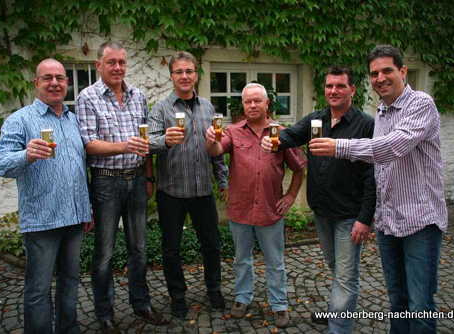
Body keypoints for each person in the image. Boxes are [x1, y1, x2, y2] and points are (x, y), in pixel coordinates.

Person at [309, 45, 447, 334]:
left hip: (420, 221)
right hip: (388, 222)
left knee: (419, 305)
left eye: (387, 70)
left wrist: (339, 147)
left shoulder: (421, 104)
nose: (380, 78)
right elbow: (378, 169)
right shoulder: (382, 111)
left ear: (403, 71)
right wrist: (371, 215)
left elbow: (391, 147)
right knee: (397, 301)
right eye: (375, 73)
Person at [261, 67, 376, 333]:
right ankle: (338, 312)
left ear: (352, 90)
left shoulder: (366, 124)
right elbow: (292, 135)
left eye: (340, 86)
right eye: (329, 86)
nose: (333, 91)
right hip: (322, 211)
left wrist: (365, 218)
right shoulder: (317, 119)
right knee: (337, 268)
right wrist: (274, 141)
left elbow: (373, 175)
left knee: (346, 276)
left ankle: (338, 327)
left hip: (350, 214)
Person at [0, 59, 92, 334]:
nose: (55, 83)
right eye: (47, 78)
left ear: (67, 83)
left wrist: (86, 210)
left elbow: (78, 169)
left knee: (70, 282)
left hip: (73, 219)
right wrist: (26, 154)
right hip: (41, 221)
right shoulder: (20, 120)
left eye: (60, 78)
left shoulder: (73, 120)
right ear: (36, 83)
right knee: (38, 289)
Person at [76, 41, 166, 332]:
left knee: (139, 248)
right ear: (98, 65)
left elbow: (145, 142)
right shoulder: (87, 97)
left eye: (122, 63)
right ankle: (105, 313)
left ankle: (141, 304)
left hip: (137, 178)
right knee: (104, 253)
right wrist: (123, 146)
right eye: (111, 62)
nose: (117, 67)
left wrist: (149, 175)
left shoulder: (138, 95)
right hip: (106, 181)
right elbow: (88, 144)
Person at [206, 83, 305, 328]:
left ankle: (279, 304)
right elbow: (217, 150)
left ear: (266, 103)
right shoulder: (233, 131)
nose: (252, 105)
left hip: (270, 210)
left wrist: (291, 196)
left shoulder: (281, 133)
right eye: (248, 101)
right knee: (242, 259)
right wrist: (210, 141)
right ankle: (242, 298)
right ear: (243, 104)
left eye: (257, 101)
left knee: (275, 262)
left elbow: (300, 168)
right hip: (240, 209)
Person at [148, 51, 229, 319]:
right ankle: (178, 296)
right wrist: (165, 141)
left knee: (212, 244)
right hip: (171, 191)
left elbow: (216, 147)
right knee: (171, 248)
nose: (184, 76)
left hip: (202, 190)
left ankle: (214, 289)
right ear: (171, 76)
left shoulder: (207, 108)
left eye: (189, 71)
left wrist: (223, 180)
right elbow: (147, 144)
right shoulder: (161, 109)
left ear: (196, 74)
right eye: (179, 72)